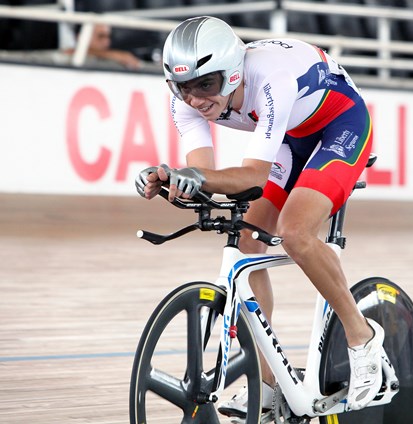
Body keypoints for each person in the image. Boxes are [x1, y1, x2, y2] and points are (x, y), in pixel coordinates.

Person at [135, 16, 385, 417]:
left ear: (233, 74)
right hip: (291, 137)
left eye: (206, 85)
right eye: (182, 87)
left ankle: (363, 337)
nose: (195, 99)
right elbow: (207, 177)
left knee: (295, 232)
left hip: (340, 126)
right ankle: (269, 386)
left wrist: (196, 177)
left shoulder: (271, 80)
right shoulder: (185, 102)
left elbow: (251, 175)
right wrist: (174, 180)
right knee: (249, 244)